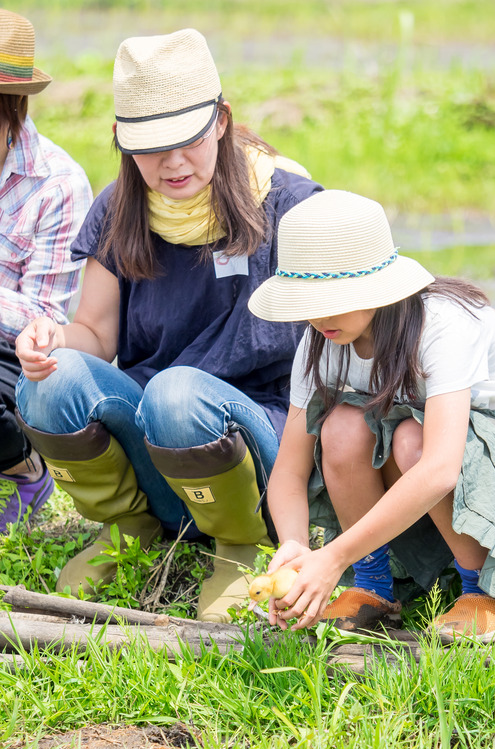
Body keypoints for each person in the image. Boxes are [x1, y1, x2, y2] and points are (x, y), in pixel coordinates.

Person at [14, 27, 323, 622]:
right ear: (121, 141)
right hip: (158, 438)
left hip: (258, 445)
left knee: (176, 392)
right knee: (48, 380)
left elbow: (376, 285)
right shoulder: (120, 207)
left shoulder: (287, 203)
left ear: (222, 121)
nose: (173, 162)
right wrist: (49, 338)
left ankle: (237, 547)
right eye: (151, 147)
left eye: (188, 140)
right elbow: (96, 337)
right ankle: (131, 527)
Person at [248, 190, 495, 640]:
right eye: (306, 301)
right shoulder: (321, 342)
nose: (317, 315)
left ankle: (488, 592)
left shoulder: (441, 324)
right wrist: (295, 547)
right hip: (427, 447)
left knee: (409, 440)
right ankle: (374, 589)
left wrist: (332, 556)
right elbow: (290, 468)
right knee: (340, 426)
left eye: (332, 297)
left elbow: (438, 468)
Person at [0, 9, 92, 532]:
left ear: (11, 111)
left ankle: (26, 468)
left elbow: (42, 321)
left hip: (17, 355)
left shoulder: (57, 184)